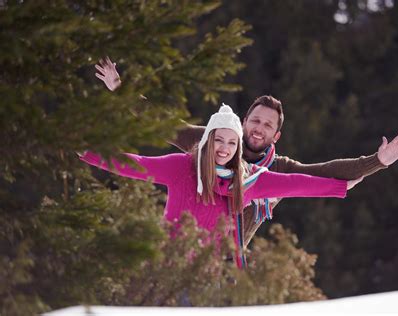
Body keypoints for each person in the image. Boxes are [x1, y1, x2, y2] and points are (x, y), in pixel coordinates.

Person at [94, 58, 398, 247]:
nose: (259, 128)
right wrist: (121, 92)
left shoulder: (275, 171)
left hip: (227, 258)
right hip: (179, 244)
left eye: (267, 125)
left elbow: (323, 174)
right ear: (243, 122)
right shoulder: (207, 142)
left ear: (277, 135)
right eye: (255, 120)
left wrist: (376, 162)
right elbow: (160, 124)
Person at [79, 105, 359, 268]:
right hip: (166, 263)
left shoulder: (249, 181)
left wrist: (340, 186)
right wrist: (88, 152)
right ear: (207, 140)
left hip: (209, 273)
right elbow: (134, 163)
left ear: (238, 147)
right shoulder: (181, 167)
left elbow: (297, 184)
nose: (224, 148)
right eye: (218, 140)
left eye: (232, 142)